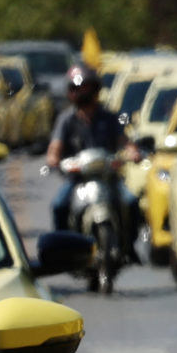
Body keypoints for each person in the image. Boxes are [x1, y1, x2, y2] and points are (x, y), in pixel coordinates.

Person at [46, 64, 137, 243]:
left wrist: (132, 153)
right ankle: (66, 248)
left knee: (131, 202)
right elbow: (54, 149)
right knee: (59, 206)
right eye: (76, 89)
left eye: (85, 87)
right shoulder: (66, 120)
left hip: (108, 178)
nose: (81, 93)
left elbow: (126, 143)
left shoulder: (110, 117)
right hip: (78, 179)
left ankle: (129, 245)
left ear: (95, 89)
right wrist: (54, 159)